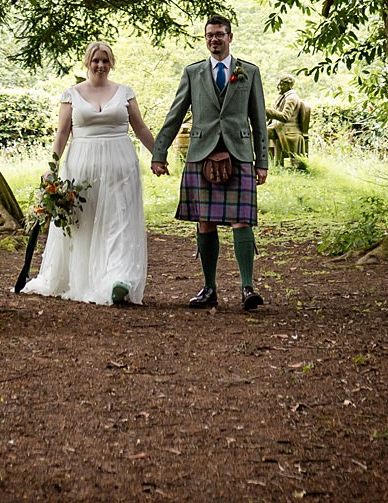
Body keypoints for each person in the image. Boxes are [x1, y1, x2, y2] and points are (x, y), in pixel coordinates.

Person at [20, 41, 159, 306]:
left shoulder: (125, 92)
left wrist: (158, 154)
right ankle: (84, 278)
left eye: (105, 61)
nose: (100, 65)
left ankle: (119, 279)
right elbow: (62, 133)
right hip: (82, 168)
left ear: (112, 63)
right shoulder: (71, 94)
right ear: (87, 63)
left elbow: (140, 127)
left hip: (120, 167)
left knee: (119, 220)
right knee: (85, 221)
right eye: (96, 60)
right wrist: (51, 168)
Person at [151, 16, 268, 310]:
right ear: (205, 39)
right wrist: (159, 153)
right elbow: (175, 114)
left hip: (239, 153)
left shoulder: (249, 72)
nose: (214, 40)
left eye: (219, 35)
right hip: (201, 154)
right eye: (209, 36)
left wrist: (262, 160)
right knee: (205, 222)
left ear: (230, 37)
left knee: (243, 219)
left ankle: (247, 288)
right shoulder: (193, 73)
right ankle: (209, 289)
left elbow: (259, 120)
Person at [268, 75, 310, 170]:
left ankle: (263, 161)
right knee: (258, 131)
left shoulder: (291, 98)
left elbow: (285, 117)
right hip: (278, 128)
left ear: (288, 85)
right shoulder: (283, 96)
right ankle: (268, 162)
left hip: (287, 130)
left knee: (259, 133)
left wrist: (268, 111)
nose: (278, 86)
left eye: (281, 84)